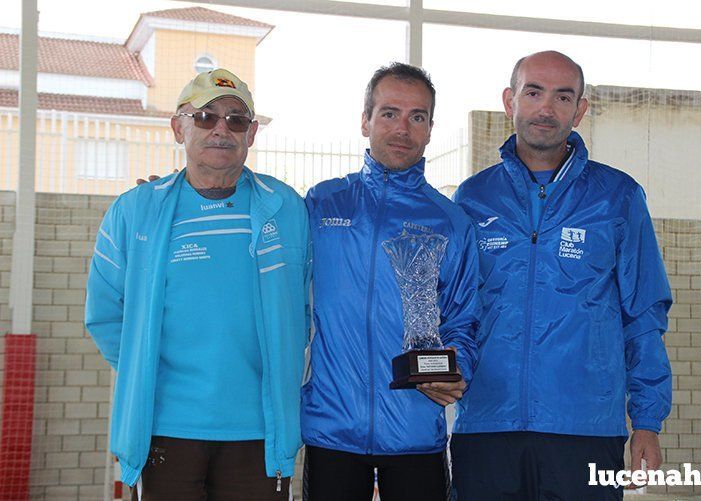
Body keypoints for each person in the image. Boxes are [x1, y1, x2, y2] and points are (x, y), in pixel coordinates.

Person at [450, 51, 673, 500]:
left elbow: (644, 315)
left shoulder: (618, 197)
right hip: (487, 427)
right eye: (533, 92)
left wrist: (647, 422)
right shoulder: (473, 198)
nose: (546, 108)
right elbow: (458, 313)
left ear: (580, 110)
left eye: (562, 96)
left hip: (586, 430)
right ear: (510, 100)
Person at [85, 68, 311, 500]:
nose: (222, 129)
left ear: (252, 133)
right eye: (205, 116)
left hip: (260, 430)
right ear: (178, 127)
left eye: (236, 119)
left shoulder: (287, 209)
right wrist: (146, 370)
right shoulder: (135, 211)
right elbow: (105, 315)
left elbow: (307, 306)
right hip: (166, 427)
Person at [301, 62, 480, 501]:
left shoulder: (451, 221)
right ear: (365, 121)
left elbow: (465, 320)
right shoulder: (321, 204)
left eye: (417, 116)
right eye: (389, 113)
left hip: (416, 431)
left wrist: (460, 368)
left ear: (431, 129)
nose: (403, 128)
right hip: (330, 431)